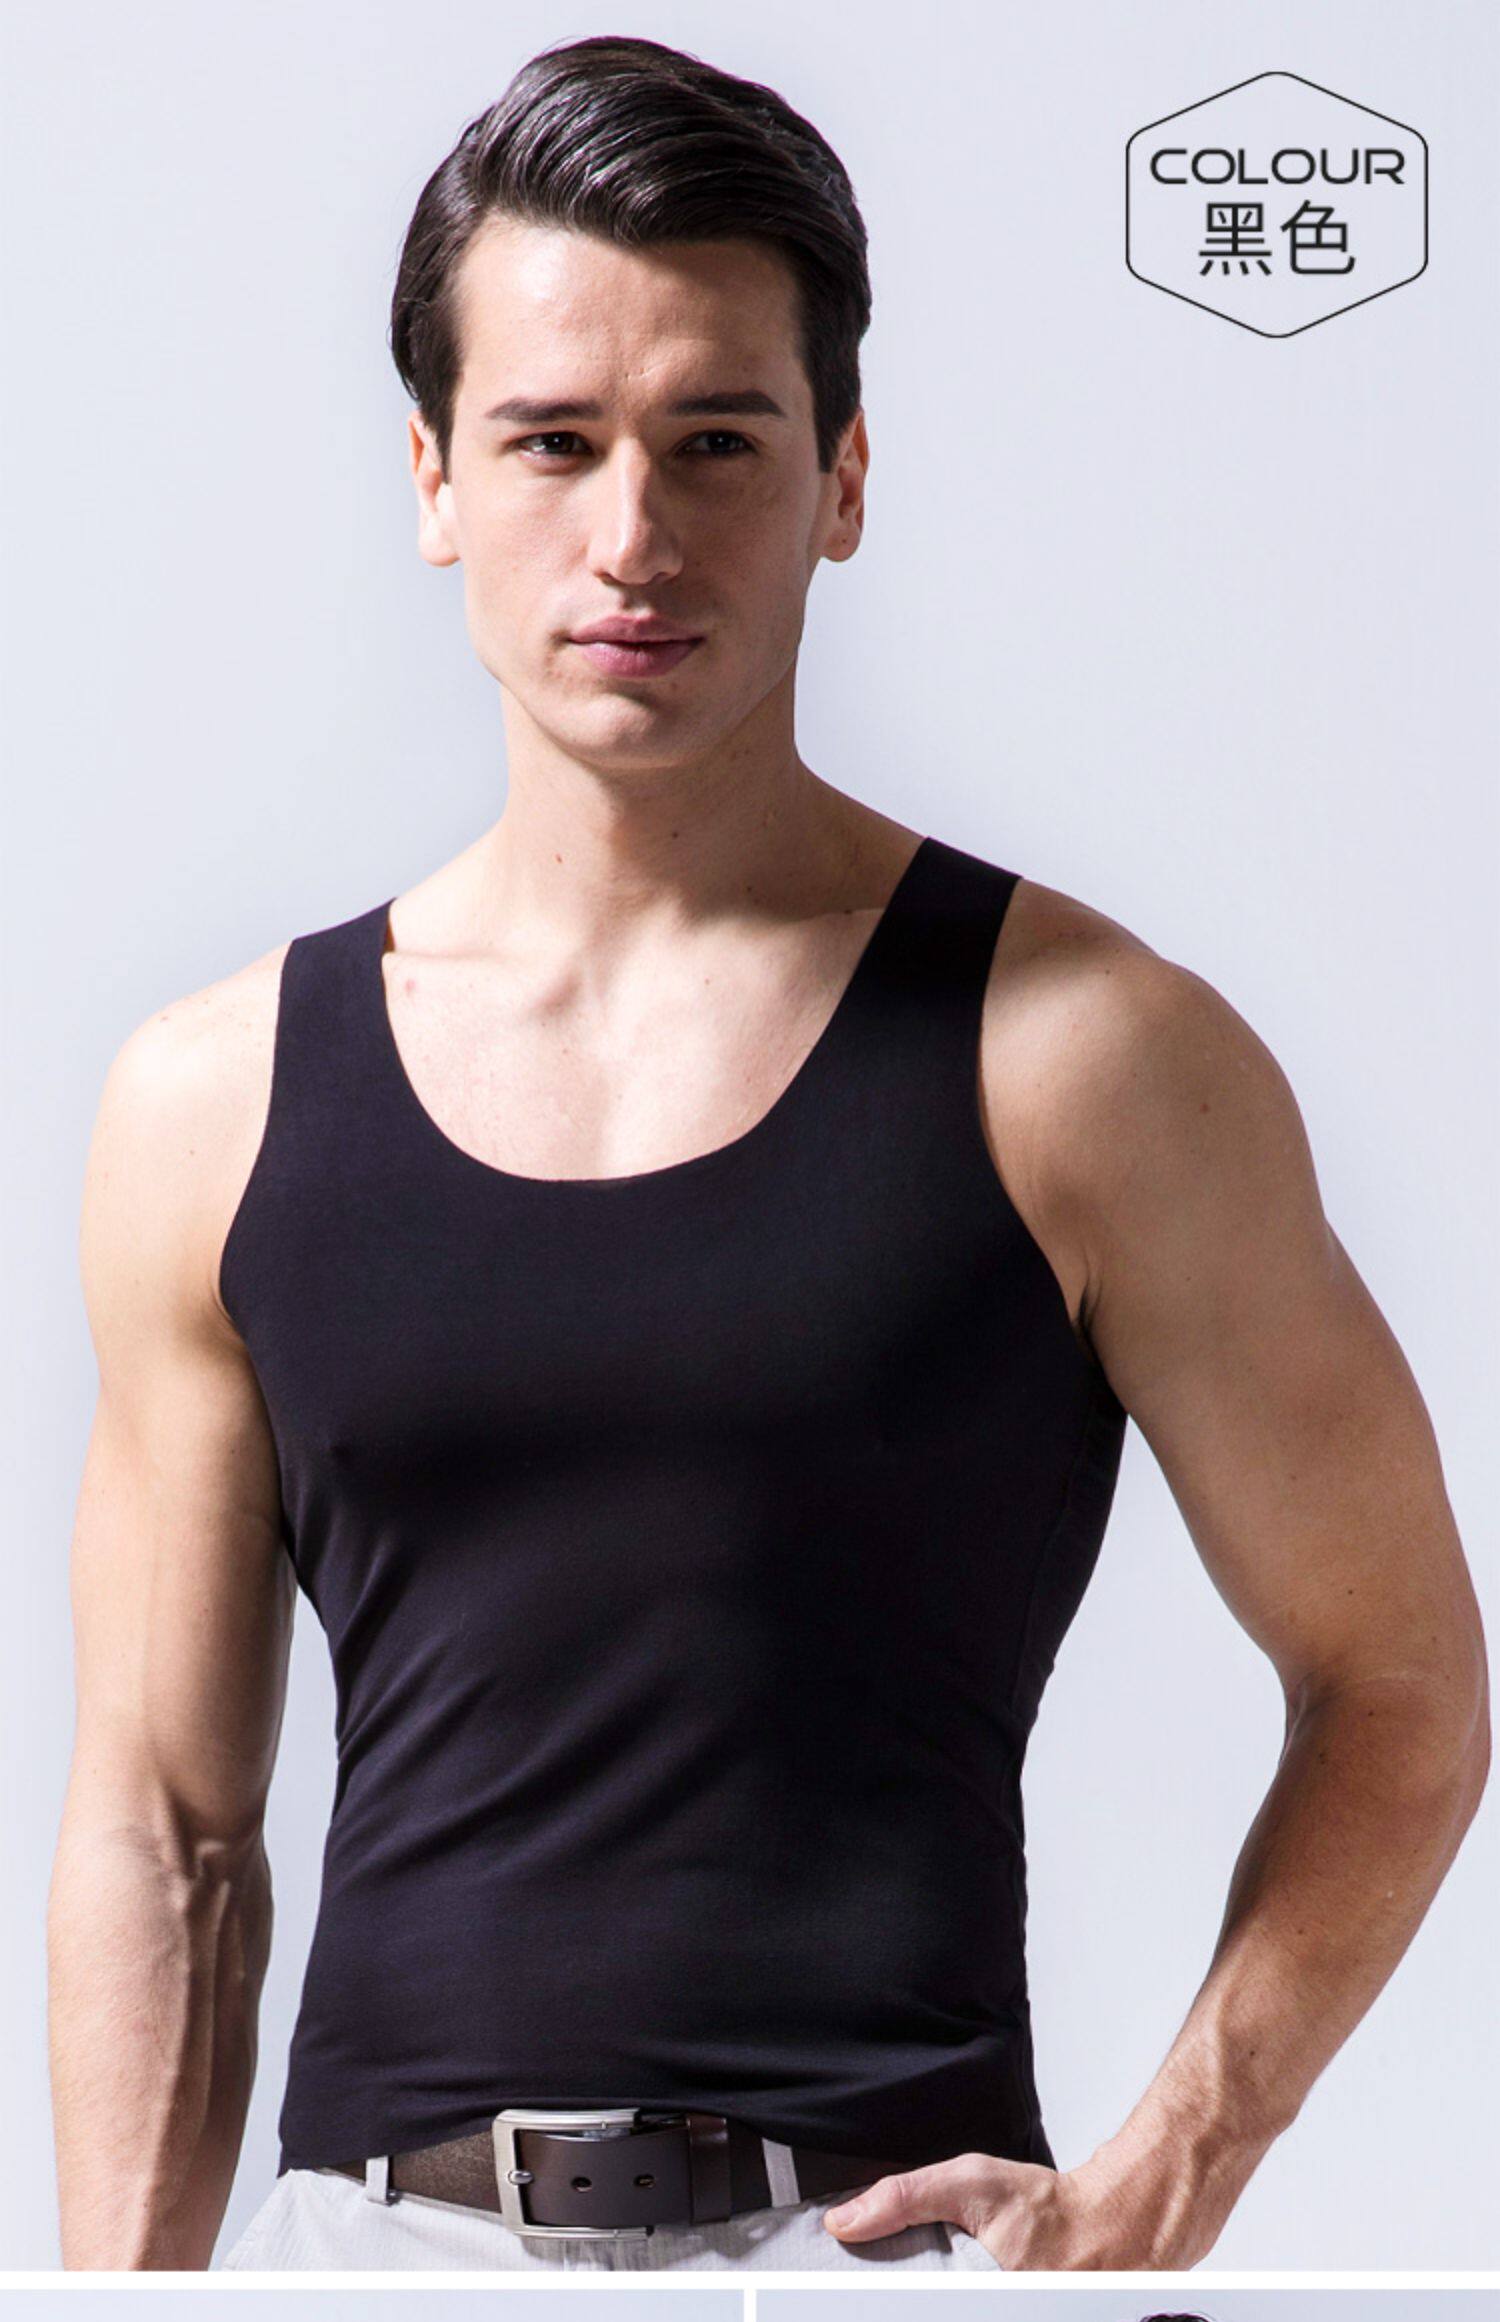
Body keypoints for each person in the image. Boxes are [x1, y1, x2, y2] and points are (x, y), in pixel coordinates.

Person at [47, 32, 1488, 2276]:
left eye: (716, 440)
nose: (632, 535)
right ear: (435, 476)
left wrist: (1163, 2180)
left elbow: (1400, 1676)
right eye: (553, 441)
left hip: (873, 2254)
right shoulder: (213, 1102)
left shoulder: (1087, 1059)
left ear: (841, 479)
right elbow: (165, 1831)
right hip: (371, 2260)